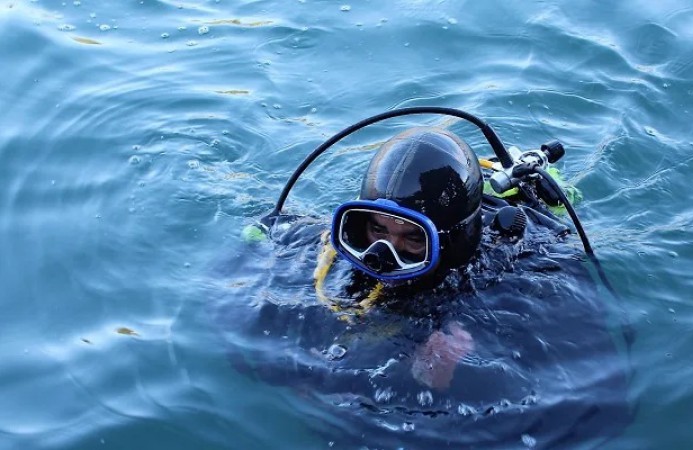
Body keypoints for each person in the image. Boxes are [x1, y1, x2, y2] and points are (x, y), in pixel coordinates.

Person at [225, 117, 632, 448]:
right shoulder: (333, 249)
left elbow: (598, 412)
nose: (384, 255)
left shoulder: (530, 276)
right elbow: (234, 322)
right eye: (376, 229)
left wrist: (464, 378)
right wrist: (301, 374)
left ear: (449, 242)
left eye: (412, 239)